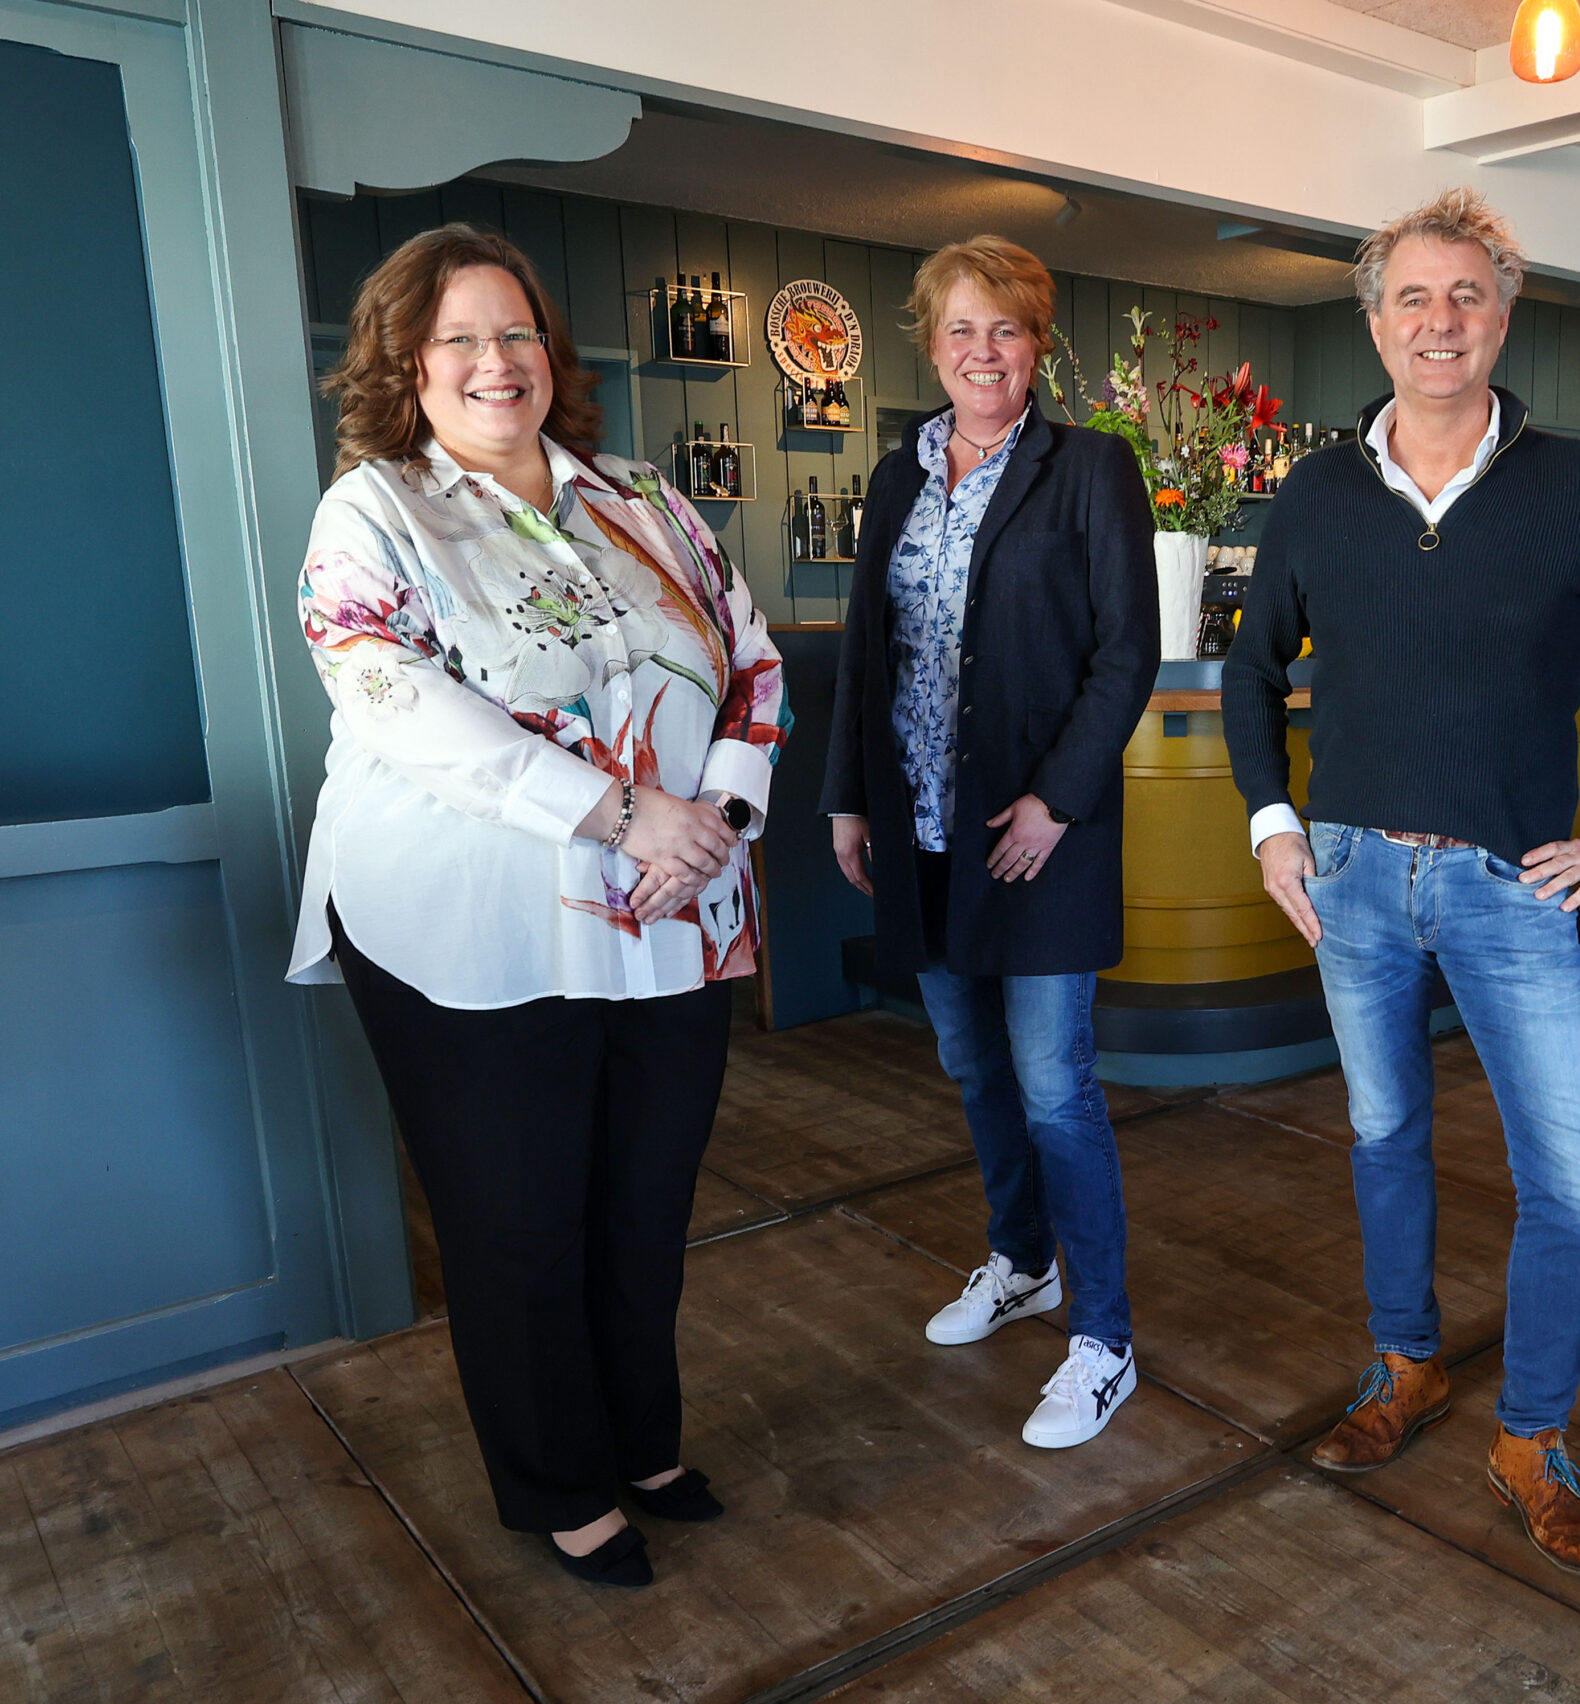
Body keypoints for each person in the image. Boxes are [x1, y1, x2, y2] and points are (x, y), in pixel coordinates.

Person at [1222, 188, 1580, 1576]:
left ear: (1504, 318)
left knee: (1568, 1181)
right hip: (1355, 882)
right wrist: (1273, 822)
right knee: (1384, 1141)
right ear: (1374, 323)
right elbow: (1254, 671)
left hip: (1511, 889)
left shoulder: (1579, 488)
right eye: (1411, 300)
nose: (1439, 323)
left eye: (1466, 298)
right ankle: (1405, 1368)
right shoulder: (1318, 492)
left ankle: (1533, 1437)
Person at [289, 225, 789, 1586]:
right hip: (474, 927)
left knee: (641, 1204)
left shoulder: (646, 499)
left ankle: (639, 1442)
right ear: (406, 361)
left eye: (514, 333)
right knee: (518, 1222)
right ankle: (558, 1480)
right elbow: (397, 698)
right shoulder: (378, 510)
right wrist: (628, 812)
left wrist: (719, 821)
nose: (493, 362)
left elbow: (750, 658)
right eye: (458, 338)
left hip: (675, 911)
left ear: (549, 356)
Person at [821, 236, 1157, 1448]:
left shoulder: (1090, 471)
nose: (983, 353)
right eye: (962, 330)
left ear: (1038, 344)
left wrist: (1058, 800)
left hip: (1038, 837)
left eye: (1006, 330)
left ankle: (1104, 1337)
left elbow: (1127, 653)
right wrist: (849, 799)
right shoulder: (895, 478)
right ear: (932, 343)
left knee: (1057, 1085)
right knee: (970, 1069)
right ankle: (1022, 1260)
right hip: (919, 829)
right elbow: (872, 651)